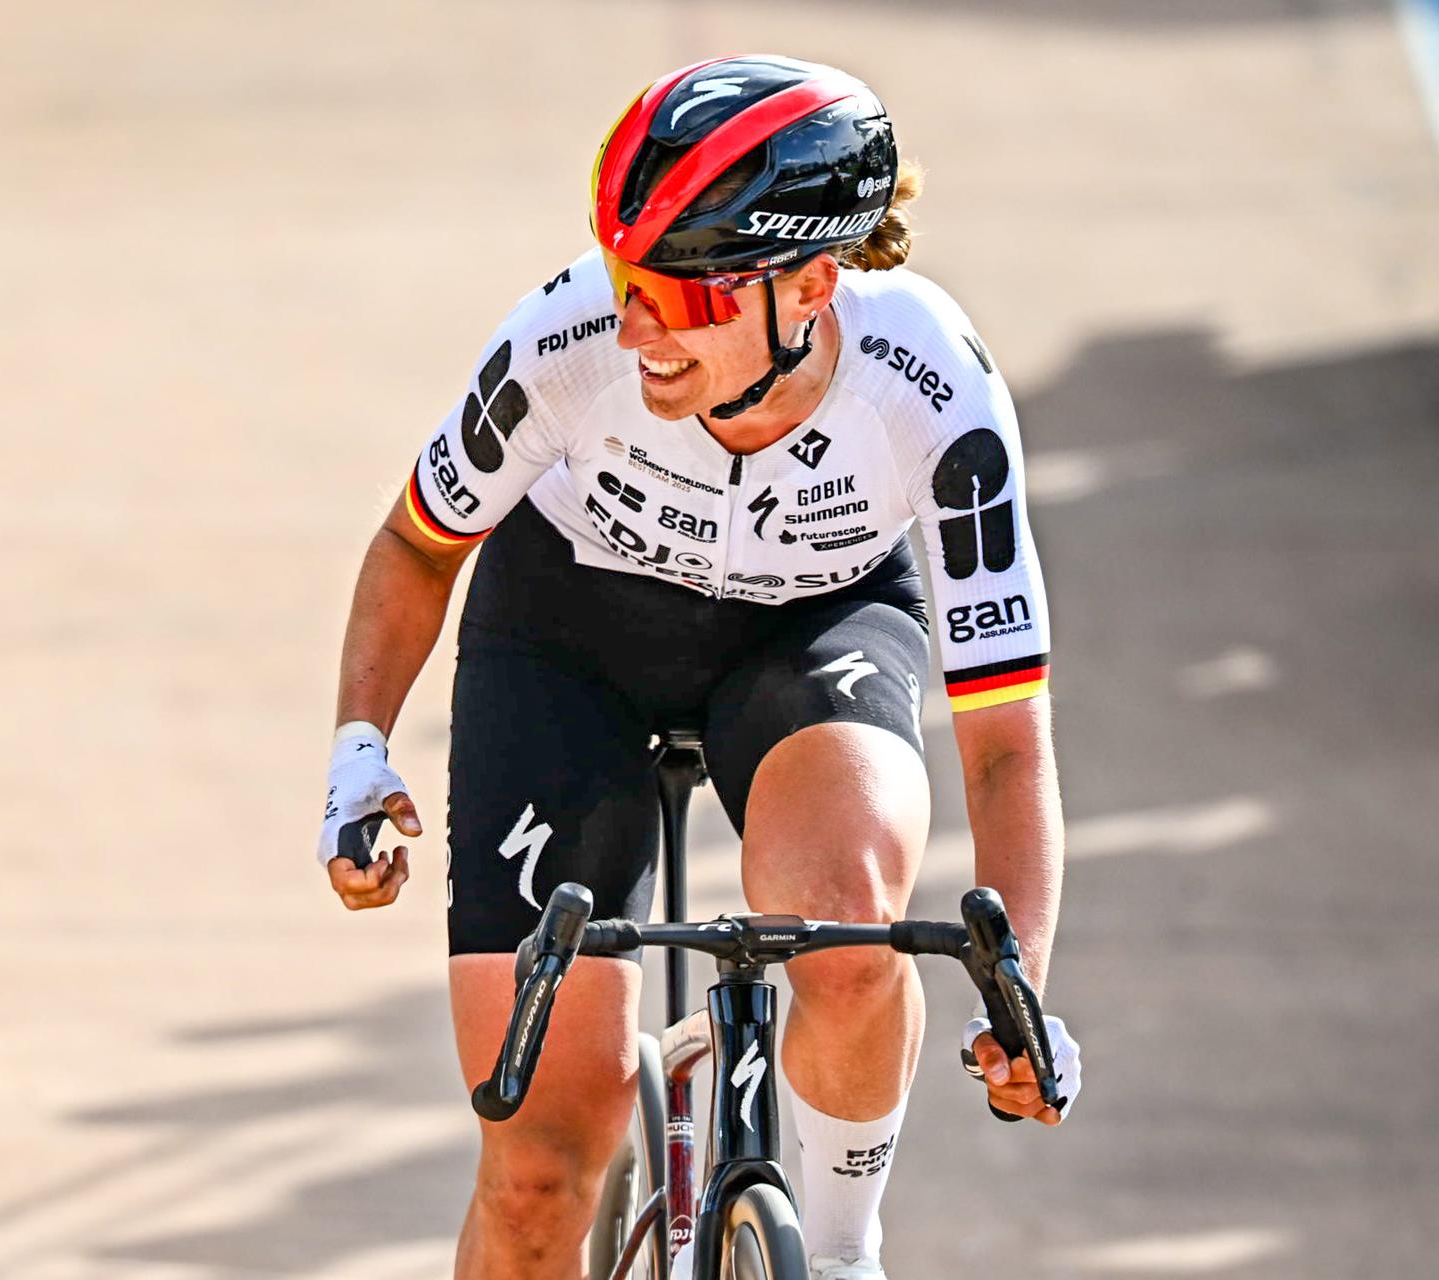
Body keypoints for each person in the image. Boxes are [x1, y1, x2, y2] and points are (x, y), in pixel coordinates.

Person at [316, 54, 1083, 1280]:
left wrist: (1021, 988)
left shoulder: (934, 389)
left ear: (813, 285)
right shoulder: (563, 343)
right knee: (534, 1178)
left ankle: (834, 1252)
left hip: (813, 633)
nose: (636, 327)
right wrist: (357, 751)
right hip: (573, 630)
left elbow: (1004, 739)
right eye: (628, 282)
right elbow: (416, 540)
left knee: (847, 917)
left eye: (681, 298)